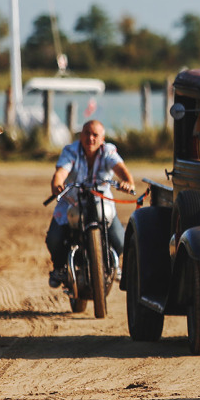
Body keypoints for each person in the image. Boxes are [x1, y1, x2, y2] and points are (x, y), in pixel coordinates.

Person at [46, 120, 135, 288]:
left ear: (102, 138)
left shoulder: (108, 151)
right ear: (81, 135)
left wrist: (128, 182)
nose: (90, 138)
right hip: (72, 203)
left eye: (95, 135)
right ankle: (59, 268)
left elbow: (121, 169)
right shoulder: (71, 151)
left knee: (122, 241)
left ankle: (112, 264)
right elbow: (60, 173)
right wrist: (58, 184)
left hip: (102, 204)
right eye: (87, 133)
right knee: (54, 239)